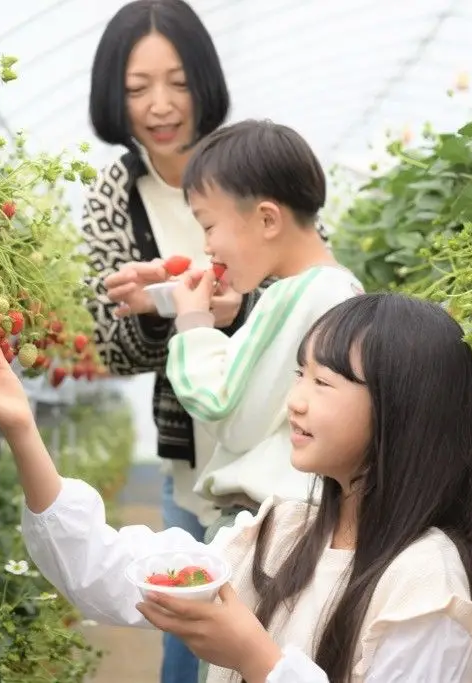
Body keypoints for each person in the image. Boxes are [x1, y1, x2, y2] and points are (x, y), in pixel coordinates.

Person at [0, 292, 472, 682]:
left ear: (402, 412)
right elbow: (110, 575)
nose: (296, 400)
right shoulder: (284, 531)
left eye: (323, 382)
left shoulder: (424, 585)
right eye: (298, 375)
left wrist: (257, 659)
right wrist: (20, 427)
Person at [79, 3, 260, 679]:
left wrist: (235, 306)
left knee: (276, 625)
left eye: (178, 81)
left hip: (279, 444)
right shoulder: (113, 196)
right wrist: (164, 312)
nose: (160, 105)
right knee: (187, 640)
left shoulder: (253, 161)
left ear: (203, 81)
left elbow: (309, 289)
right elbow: (109, 345)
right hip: (191, 455)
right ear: (114, 97)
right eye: (136, 88)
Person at [162, 120, 364, 548]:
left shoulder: (294, 296)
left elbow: (227, 413)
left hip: (264, 523)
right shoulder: (343, 290)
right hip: (306, 518)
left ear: (268, 219)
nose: (208, 247)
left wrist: (193, 325)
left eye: (209, 226)